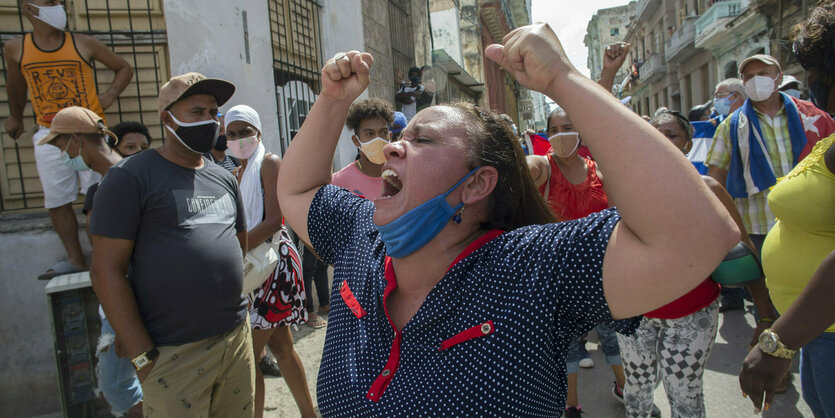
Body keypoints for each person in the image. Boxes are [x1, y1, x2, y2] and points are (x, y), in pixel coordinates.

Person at [276, 24, 739, 415]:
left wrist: (563, 79)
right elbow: (296, 190)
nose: (393, 146)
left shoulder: (534, 271)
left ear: (477, 185)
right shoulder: (361, 235)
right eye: (399, 137)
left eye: (424, 140)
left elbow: (698, 235)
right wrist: (332, 101)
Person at [89, 72, 255, 417]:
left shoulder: (224, 177)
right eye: (197, 112)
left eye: (213, 112)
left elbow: (238, 246)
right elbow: (106, 270)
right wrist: (141, 356)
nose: (209, 120)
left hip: (235, 340)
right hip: (173, 354)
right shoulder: (131, 178)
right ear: (168, 119)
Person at [740, 5, 835, 415]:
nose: (813, 82)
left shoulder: (811, 118)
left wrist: (778, 342)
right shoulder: (736, 124)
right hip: (819, 330)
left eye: (818, 71)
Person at [526, 106, 651, 418]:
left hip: (603, 270)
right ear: (547, 135)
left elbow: (621, 214)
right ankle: (571, 405)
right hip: (558, 273)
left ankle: (624, 387)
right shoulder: (544, 167)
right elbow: (526, 168)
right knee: (566, 342)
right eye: (554, 129)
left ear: (581, 130)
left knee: (612, 334)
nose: (561, 134)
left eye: (568, 126)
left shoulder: (599, 171)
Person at [3, 0, 133, 280]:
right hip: (51, 135)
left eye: (59, 2)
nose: (57, 6)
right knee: (57, 200)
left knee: (97, 197)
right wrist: (16, 116)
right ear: (28, 8)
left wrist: (107, 97)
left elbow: (123, 67)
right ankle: (76, 259)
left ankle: (104, 259)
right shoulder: (17, 48)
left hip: (91, 133)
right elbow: (15, 84)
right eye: (49, 2)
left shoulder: (83, 44)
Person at [37, 107, 143, 417]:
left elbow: (130, 261)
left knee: (120, 388)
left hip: (127, 309)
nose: (62, 156)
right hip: (124, 308)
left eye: (60, 147)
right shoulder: (113, 182)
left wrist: (125, 328)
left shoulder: (118, 184)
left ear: (74, 141)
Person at [223, 105, 315, 418]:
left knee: (250, 355)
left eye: (244, 131)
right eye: (231, 134)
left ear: (258, 132)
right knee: (281, 347)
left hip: (273, 264)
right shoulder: (235, 173)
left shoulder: (269, 162)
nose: (238, 139)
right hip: (255, 265)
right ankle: (309, 414)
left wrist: (235, 247)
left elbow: (276, 220)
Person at [705, 53, 835, 268]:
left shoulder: (814, 117)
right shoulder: (731, 126)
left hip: (813, 222)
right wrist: (736, 234)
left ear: (778, 78)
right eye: (749, 76)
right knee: (768, 293)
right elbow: (715, 180)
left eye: (763, 74)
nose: (756, 80)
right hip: (759, 227)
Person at [331, 97, 393, 200]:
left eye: (383, 132)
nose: (378, 139)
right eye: (370, 134)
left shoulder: (402, 175)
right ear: (356, 141)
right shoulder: (338, 182)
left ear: (390, 136)